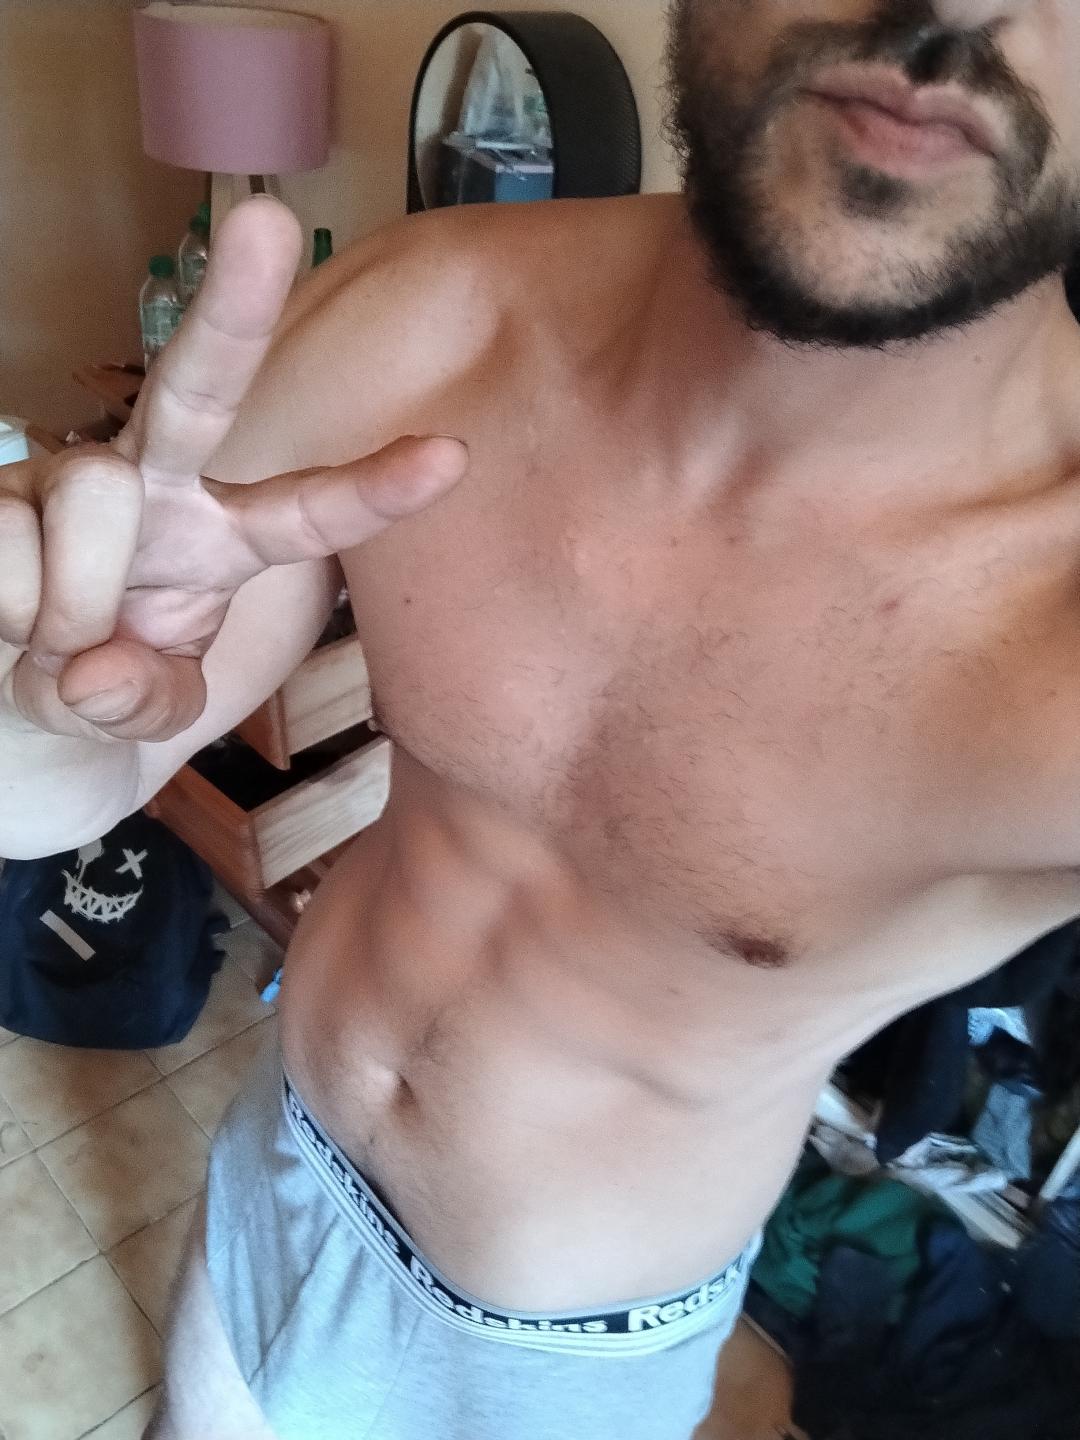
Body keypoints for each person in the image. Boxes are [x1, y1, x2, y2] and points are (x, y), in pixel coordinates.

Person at [2, 0, 1079, 1435]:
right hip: (283, 1160)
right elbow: (66, 789)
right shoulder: (426, 313)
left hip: (554, 1360)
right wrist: (38, 699)